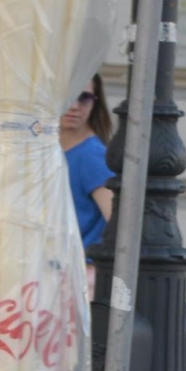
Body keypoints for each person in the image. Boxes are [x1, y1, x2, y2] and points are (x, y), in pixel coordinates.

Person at [60, 73, 114, 261]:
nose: (74, 106)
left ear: (95, 102)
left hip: (82, 274)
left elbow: (118, 224)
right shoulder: (48, 153)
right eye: (66, 96)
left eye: (84, 98)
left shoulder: (92, 155)